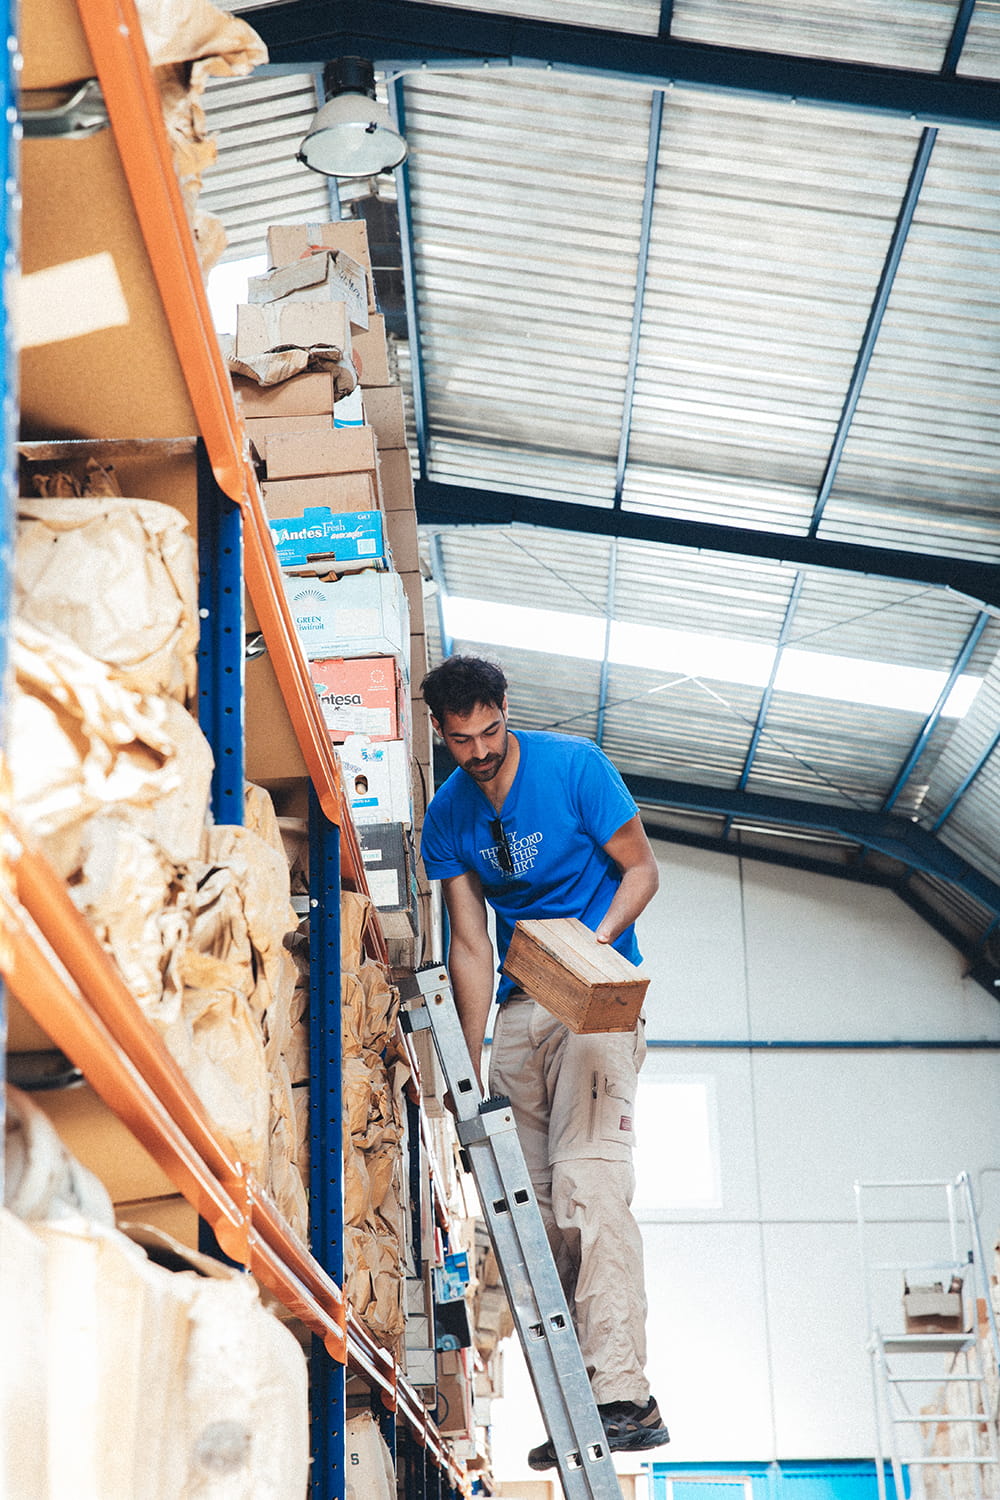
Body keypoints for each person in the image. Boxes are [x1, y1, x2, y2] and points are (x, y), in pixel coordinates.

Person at [419, 654, 669, 1469]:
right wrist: (468, 1054)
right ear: (441, 734)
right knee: (531, 1225)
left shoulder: (575, 767)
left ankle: (626, 1394)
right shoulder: (448, 815)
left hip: (596, 997)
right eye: (462, 740)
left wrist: (587, 950)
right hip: (519, 1011)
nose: (481, 751)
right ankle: (577, 1404)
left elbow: (642, 869)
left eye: (490, 731)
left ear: (504, 712)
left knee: (588, 1187)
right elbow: (467, 942)